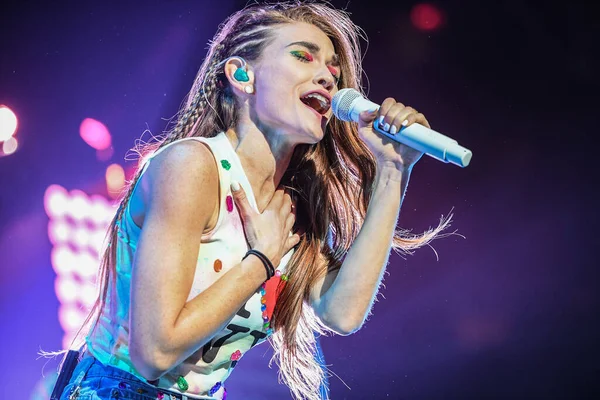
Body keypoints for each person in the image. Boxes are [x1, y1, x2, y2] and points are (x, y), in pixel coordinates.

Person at [53, 2, 451, 399]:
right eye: (303, 56)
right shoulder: (192, 166)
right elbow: (154, 353)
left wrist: (394, 168)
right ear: (242, 74)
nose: (329, 78)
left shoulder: (288, 208)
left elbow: (342, 312)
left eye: (333, 67)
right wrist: (260, 261)